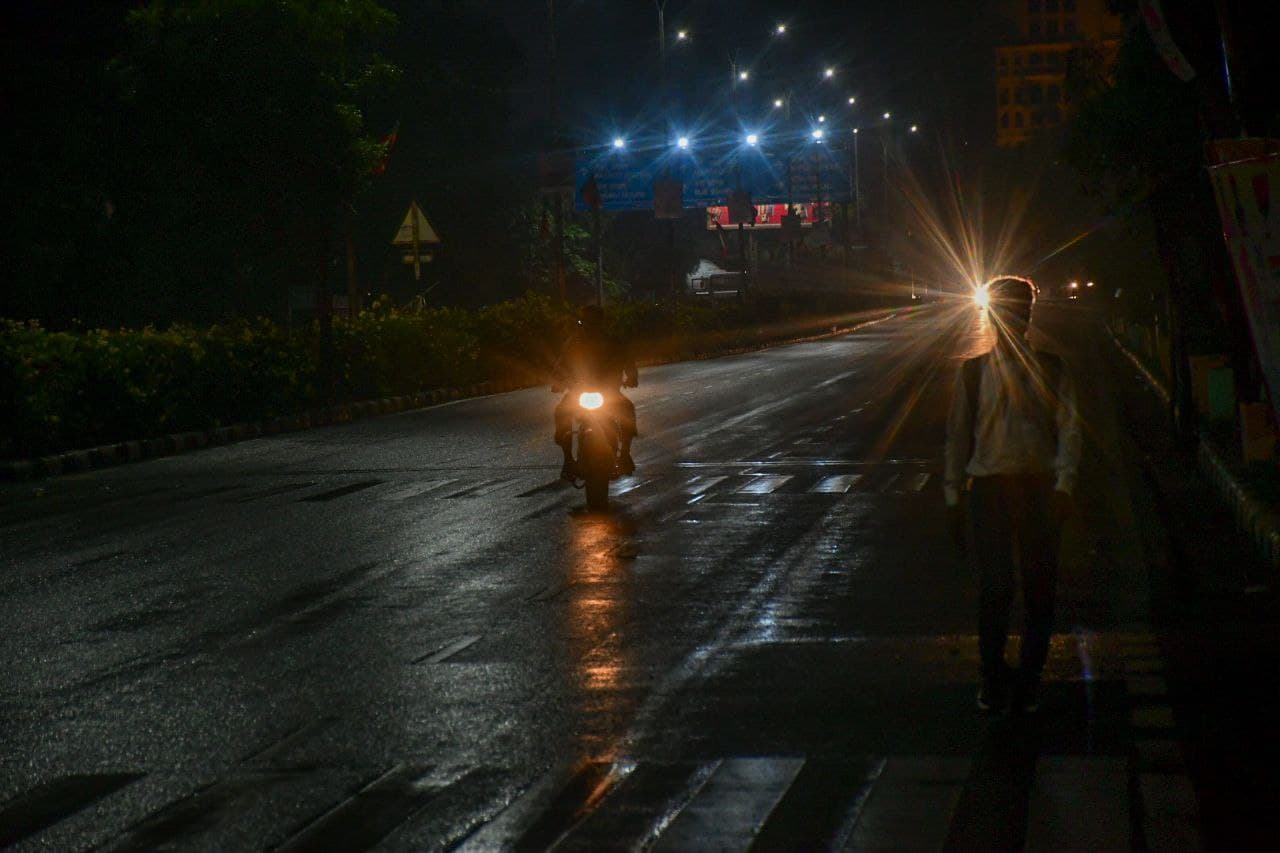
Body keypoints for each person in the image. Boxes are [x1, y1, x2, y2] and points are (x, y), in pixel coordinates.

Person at [944, 276, 1082, 714]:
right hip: (990, 490)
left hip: (1039, 489)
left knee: (1039, 589)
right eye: (1006, 309)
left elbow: (1070, 430)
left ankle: (1028, 679)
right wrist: (953, 497)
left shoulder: (1053, 368)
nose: (1013, 317)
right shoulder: (972, 372)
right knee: (997, 587)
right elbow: (957, 436)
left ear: (1027, 315)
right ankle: (993, 675)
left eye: (1020, 309)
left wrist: (1064, 485)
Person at [551, 304, 638, 481]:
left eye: (594, 321)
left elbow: (628, 361)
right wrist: (557, 381)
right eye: (587, 321)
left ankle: (625, 454)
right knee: (561, 413)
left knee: (628, 410)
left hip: (609, 393)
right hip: (578, 393)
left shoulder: (614, 341)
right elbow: (561, 364)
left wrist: (632, 377)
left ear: (601, 322)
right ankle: (567, 459)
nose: (590, 326)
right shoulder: (573, 342)